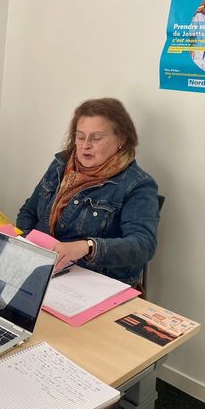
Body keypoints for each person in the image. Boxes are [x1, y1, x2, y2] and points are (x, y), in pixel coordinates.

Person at [16, 98, 159, 288]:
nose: (85, 145)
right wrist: (28, 248)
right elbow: (29, 212)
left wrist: (88, 247)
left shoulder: (138, 185)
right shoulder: (61, 165)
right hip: (46, 270)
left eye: (97, 138)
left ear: (121, 139)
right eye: (80, 137)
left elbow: (143, 245)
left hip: (95, 284)